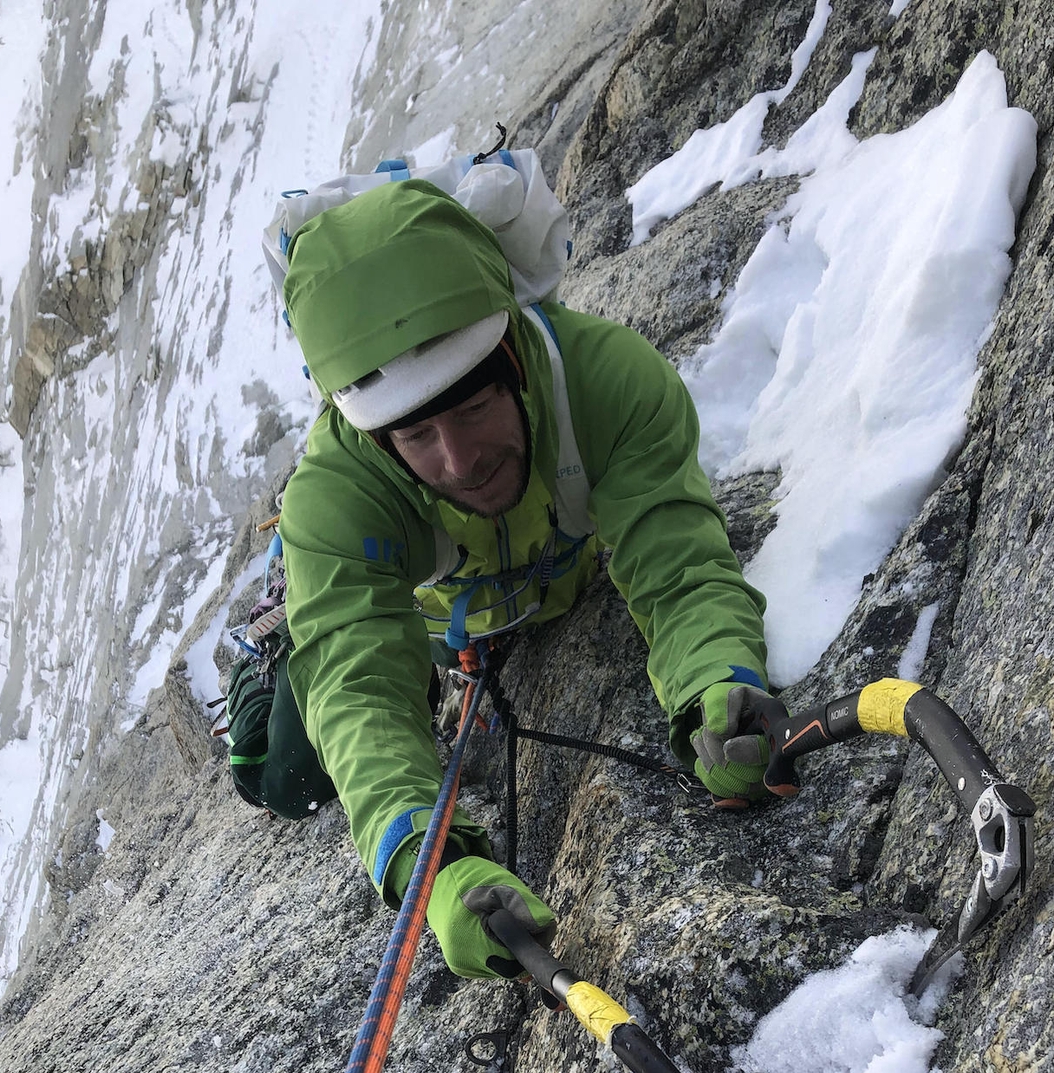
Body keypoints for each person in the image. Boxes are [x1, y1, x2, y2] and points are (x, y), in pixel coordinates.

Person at [275, 178, 778, 979]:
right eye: (416, 434)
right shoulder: (335, 499)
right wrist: (430, 872)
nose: (459, 459)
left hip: (525, 585)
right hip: (441, 626)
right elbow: (357, 690)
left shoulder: (605, 383)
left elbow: (675, 557)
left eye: (473, 407)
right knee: (283, 763)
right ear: (374, 439)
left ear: (512, 352)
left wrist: (719, 677)